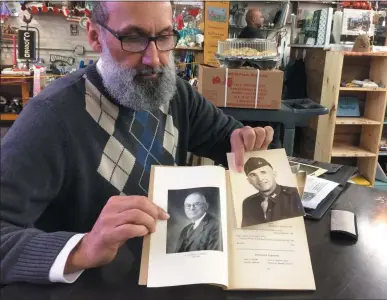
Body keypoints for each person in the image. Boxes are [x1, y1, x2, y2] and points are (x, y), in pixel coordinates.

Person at [0, 2, 274, 284]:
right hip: (93, 288)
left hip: (169, 276)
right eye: (133, 38)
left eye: (164, 37)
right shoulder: (52, 117)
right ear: (95, 36)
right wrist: (82, 248)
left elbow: (224, 138)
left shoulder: (175, 93)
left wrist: (243, 139)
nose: (154, 59)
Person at [241, 157, 305, 227]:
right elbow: (247, 231)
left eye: (263, 172)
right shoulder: (248, 203)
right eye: (253, 175)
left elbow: (300, 229)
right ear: (249, 181)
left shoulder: (293, 194)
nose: (260, 179)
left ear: (274, 174)